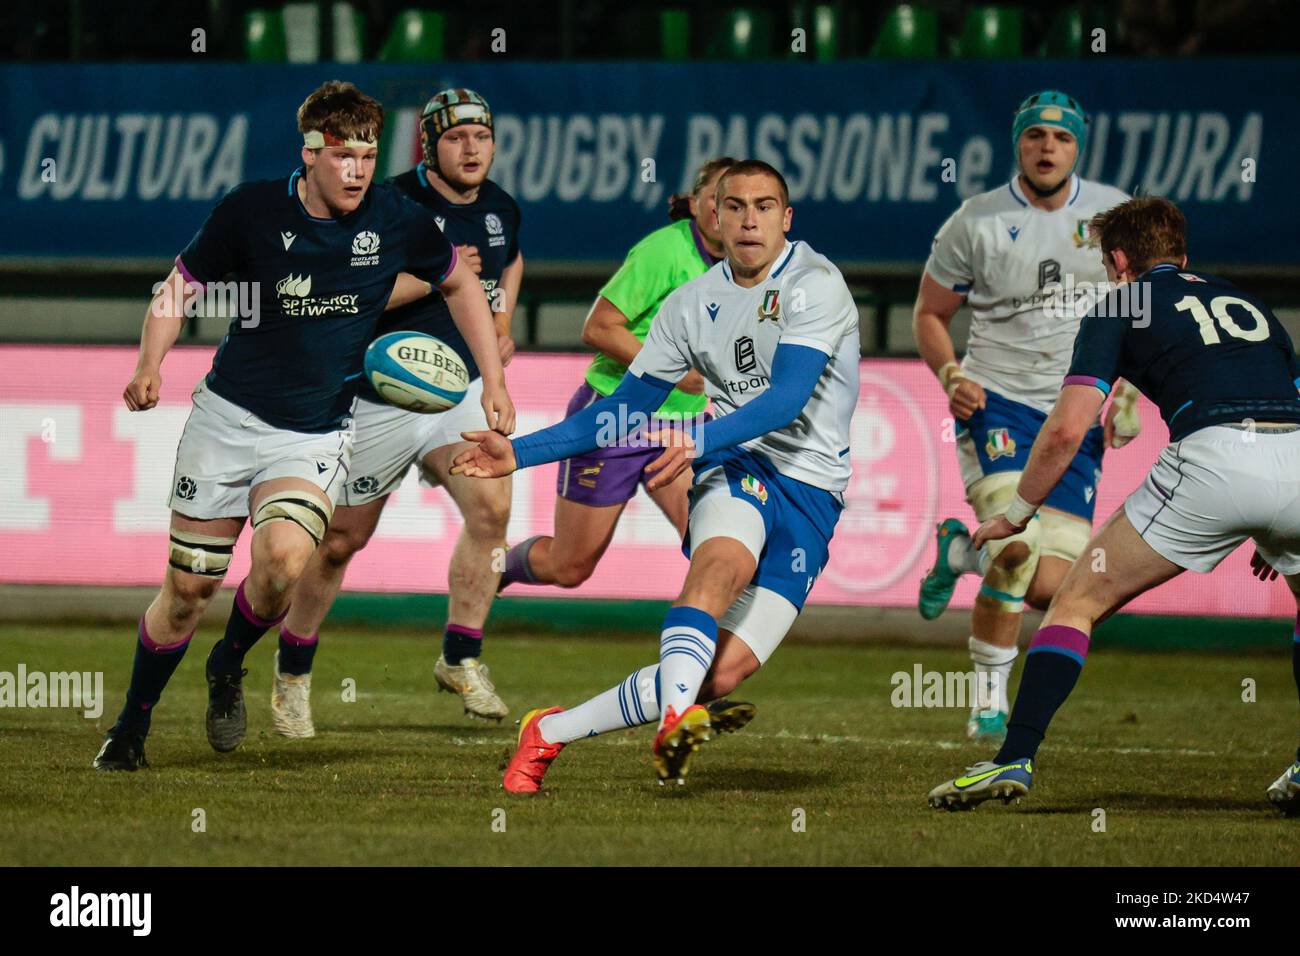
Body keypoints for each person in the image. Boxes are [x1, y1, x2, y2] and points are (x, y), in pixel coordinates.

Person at [93, 81, 513, 770]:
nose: (357, 170)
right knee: (188, 591)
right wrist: (150, 363)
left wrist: (492, 380)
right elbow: (178, 288)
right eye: (343, 155)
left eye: (369, 155)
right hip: (226, 421)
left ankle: (228, 664)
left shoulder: (396, 217)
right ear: (310, 153)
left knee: (285, 563)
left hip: (313, 435)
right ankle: (131, 727)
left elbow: (461, 282)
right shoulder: (251, 210)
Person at [453, 160, 861, 791]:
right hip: (737, 464)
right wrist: (521, 451)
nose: (749, 219)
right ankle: (676, 721)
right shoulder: (690, 305)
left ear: (787, 218)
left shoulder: (815, 283)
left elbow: (787, 401)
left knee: (721, 675)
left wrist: (693, 435)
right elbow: (620, 412)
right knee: (718, 570)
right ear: (714, 216)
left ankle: (547, 733)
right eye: (736, 207)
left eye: (764, 206)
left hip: (813, 493)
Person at [926, 196, 1300, 813]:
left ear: (1119, 259)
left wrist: (1018, 511)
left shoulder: (1123, 302)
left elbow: (1068, 430)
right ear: (1183, 255)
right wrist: (1280, 528)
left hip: (1216, 457)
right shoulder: (1247, 299)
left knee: (1076, 600)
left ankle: (1011, 757)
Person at [276, 88, 522, 731]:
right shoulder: (388, 203)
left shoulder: (501, 209)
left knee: (492, 506)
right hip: (377, 394)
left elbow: (511, 259)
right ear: (429, 146)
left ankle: (460, 656)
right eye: (455, 138)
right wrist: (440, 275)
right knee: (337, 542)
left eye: (482, 137)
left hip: (454, 390)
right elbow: (342, 293)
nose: (471, 149)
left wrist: (499, 318)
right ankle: (292, 672)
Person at [912, 90, 1138, 740]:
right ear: (1018, 143)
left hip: (1078, 411)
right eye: (1035, 135)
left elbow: (1138, 314)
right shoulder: (975, 221)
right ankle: (987, 703)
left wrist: (1125, 391)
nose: (1047, 148)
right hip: (998, 403)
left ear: (1078, 148)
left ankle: (958, 552)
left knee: (1059, 590)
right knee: (1013, 551)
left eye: (1061, 138)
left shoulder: (1113, 216)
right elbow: (930, 314)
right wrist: (951, 373)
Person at [495, 157, 733, 591]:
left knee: (716, 546)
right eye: (715, 198)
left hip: (684, 426)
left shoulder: (749, 267)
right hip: (614, 417)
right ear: (695, 202)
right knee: (569, 568)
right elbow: (599, 327)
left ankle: (696, 652)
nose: (724, 210)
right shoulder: (665, 251)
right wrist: (672, 371)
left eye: (734, 202)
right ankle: (492, 567)